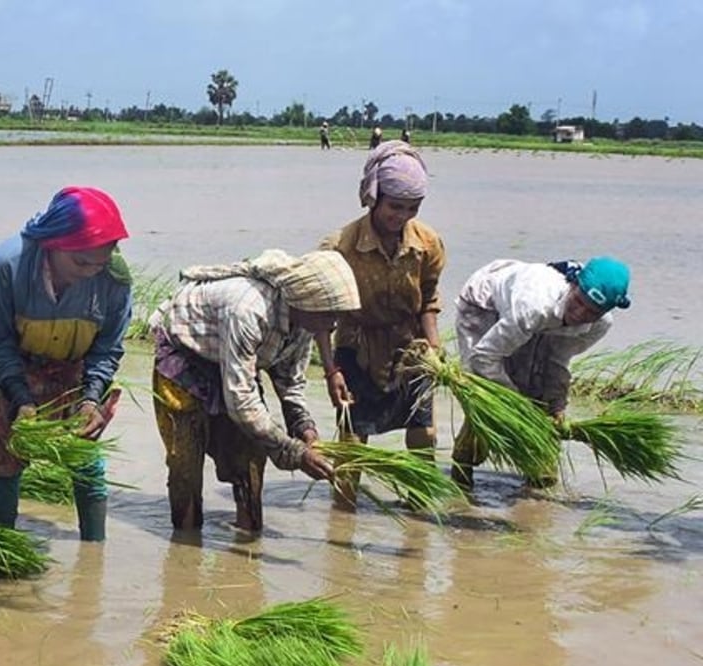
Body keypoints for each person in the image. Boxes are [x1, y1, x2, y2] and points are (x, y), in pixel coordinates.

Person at [148, 249, 361, 533]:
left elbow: (291, 381)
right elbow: (242, 401)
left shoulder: (304, 323)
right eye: (330, 315)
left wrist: (304, 427)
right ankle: (186, 547)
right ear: (306, 302)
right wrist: (294, 453)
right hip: (185, 360)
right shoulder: (249, 310)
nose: (333, 325)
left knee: (250, 457)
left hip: (231, 363)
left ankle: (247, 531)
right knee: (186, 464)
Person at [0, 185, 131, 541]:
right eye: (81, 262)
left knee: (85, 457)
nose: (92, 272)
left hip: (76, 369)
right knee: (6, 456)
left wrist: (92, 399)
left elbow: (108, 347)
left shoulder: (114, 277)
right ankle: (0, 549)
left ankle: (93, 557)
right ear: (53, 244)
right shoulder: (8, 265)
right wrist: (21, 399)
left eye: (100, 262)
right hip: (15, 367)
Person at [318, 140, 446, 509]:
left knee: (424, 434)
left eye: (412, 208)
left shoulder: (427, 243)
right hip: (357, 347)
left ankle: (420, 510)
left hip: (412, 346)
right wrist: (331, 370)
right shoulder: (341, 246)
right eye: (394, 206)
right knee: (353, 439)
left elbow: (429, 298)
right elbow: (321, 318)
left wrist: (434, 349)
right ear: (373, 195)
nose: (401, 216)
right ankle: (342, 515)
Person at [451, 257, 631, 486]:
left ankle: (539, 480)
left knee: (538, 393)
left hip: (539, 319)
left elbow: (556, 360)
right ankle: (462, 470)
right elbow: (484, 357)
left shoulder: (599, 325)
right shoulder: (534, 306)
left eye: (591, 312)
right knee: (484, 395)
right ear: (573, 285)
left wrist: (556, 406)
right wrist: (514, 400)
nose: (579, 314)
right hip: (485, 304)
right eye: (578, 302)